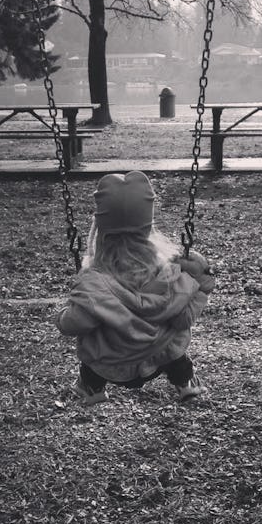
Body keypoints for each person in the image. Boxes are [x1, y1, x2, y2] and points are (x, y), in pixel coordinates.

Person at [56, 170, 214, 405]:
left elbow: (75, 324)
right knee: (175, 345)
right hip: (159, 359)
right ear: (148, 229)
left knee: (92, 351)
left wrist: (63, 316)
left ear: (100, 233)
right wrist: (203, 285)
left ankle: (92, 387)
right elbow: (183, 320)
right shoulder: (170, 275)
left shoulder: (95, 283)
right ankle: (186, 382)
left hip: (112, 366)